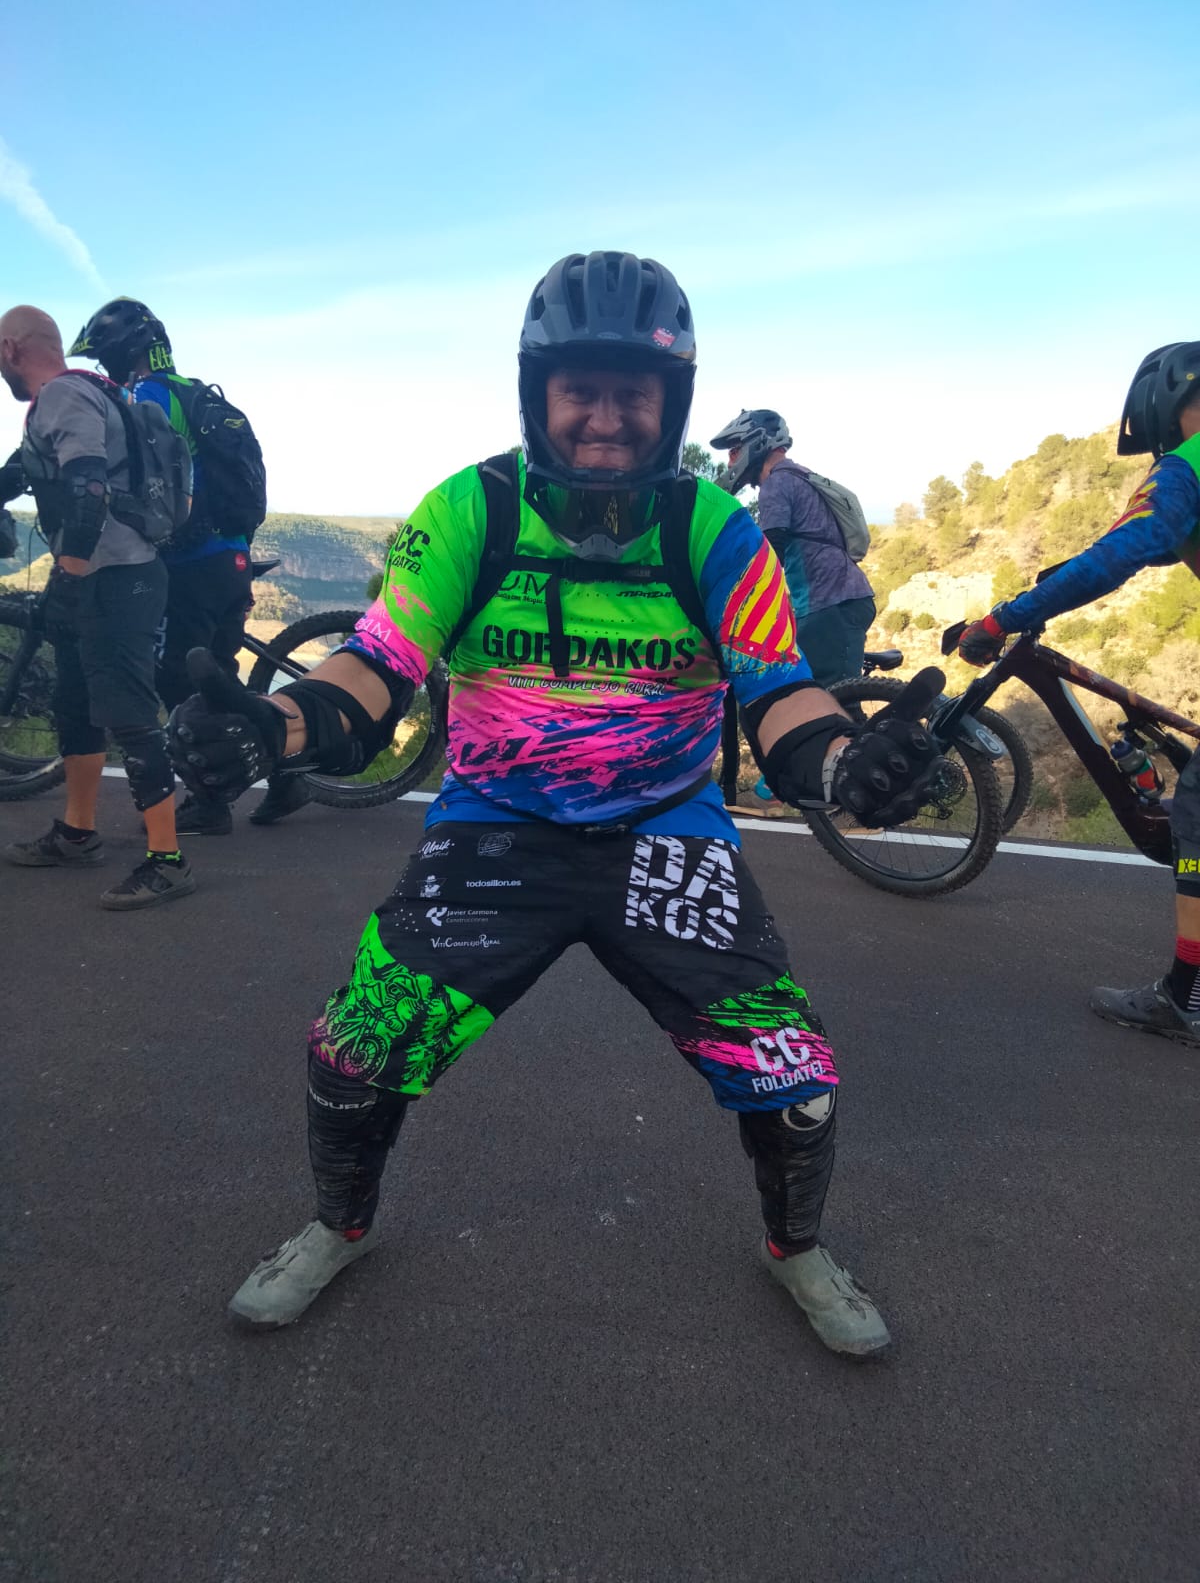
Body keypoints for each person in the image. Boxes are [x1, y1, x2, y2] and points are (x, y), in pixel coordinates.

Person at [169, 252, 943, 1351]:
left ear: (673, 402)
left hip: (664, 834)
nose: (607, 418)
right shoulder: (468, 510)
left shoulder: (714, 530)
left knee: (794, 1081)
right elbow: (378, 667)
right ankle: (339, 1226)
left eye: (635, 393)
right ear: (537, 392)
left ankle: (797, 1250)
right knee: (354, 1054)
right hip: (497, 829)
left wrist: (842, 766)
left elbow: (780, 693)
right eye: (582, 389)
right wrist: (275, 729)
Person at [959, 342, 1200, 1046]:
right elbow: (1147, 545)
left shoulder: (1187, 464)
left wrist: (1006, 617)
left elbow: (1122, 554)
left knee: (1196, 824)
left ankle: (1184, 998)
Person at [68, 298, 302, 834]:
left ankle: (211, 802)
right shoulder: (196, 393)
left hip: (191, 562)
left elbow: (130, 480)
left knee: (179, 679)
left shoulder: (148, 395)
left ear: (124, 352)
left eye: (105, 358)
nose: (104, 368)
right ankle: (287, 771)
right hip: (230, 556)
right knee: (218, 681)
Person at [0, 305, 195, 909]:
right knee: (76, 705)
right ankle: (78, 832)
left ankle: (167, 860)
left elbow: (88, 485)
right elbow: (21, 474)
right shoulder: (90, 393)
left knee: (129, 715)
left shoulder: (62, 395)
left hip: (115, 579)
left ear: (10, 349)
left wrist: (71, 569)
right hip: (102, 576)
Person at [709, 409, 876, 685]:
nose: (730, 463)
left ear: (756, 443)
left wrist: (727, 595)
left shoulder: (776, 483)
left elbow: (768, 557)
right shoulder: (798, 476)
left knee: (827, 696)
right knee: (815, 691)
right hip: (837, 600)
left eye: (734, 452)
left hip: (830, 602)